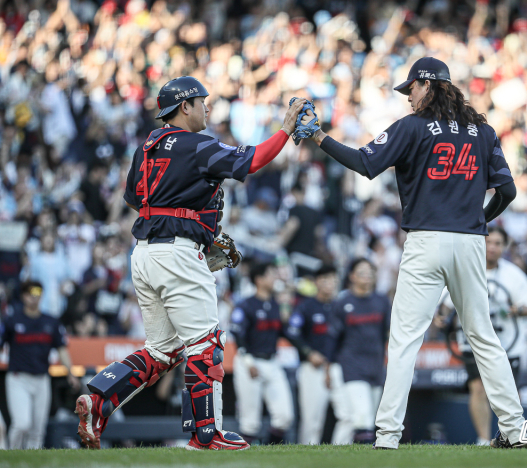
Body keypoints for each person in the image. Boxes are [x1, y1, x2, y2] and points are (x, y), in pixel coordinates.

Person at [303, 57, 526, 448]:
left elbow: (363, 163)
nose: (409, 97)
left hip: (426, 241)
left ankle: (388, 435)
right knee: (484, 338)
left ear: (428, 85)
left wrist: (319, 137)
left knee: (405, 340)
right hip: (470, 242)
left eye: (412, 89)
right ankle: (515, 431)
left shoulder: (413, 127)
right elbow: (507, 192)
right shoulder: (483, 131)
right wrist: (480, 222)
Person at [74, 76, 306, 451]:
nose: (207, 107)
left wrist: (187, 220)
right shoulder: (198, 144)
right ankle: (207, 434)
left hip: (144, 253)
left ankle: (99, 401)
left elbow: (136, 198)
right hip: (177, 253)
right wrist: (284, 130)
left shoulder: (146, 145)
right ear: (186, 106)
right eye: (202, 101)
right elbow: (252, 160)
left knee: (162, 350)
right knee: (206, 344)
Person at [434, 226, 527, 445]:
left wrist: (516, 309)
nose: (492, 248)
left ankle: (510, 434)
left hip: (508, 341)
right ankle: (483, 438)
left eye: (498, 243)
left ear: (504, 247)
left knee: (508, 389)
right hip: (472, 340)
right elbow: (444, 304)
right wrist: (441, 317)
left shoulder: (514, 274)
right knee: (478, 387)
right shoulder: (463, 269)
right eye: (488, 242)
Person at [1, 280, 80, 449]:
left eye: (37, 294)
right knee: (22, 424)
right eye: (30, 294)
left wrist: (70, 373)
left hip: (42, 379)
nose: (34, 298)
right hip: (18, 378)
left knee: (37, 430)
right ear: (23, 296)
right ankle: (12, 457)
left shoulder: (50, 322)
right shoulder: (12, 320)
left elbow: (62, 350)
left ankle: (31, 463)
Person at [285, 264, 351, 445]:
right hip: (313, 367)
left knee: (348, 416)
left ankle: (340, 455)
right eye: (325, 279)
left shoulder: (342, 307)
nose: (329, 283)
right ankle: (307, 459)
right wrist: (308, 352)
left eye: (333, 279)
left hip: (338, 366)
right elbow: (292, 332)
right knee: (312, 421)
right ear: (316, 282)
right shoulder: (306, 306)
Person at [229, 262, 294, 444]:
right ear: (259, 279)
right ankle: (245, 458)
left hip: (272, 362)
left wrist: (287, 305)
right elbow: (238, 335)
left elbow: (286, 331)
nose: (275, 278)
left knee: (284, 417)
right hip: (249, 361)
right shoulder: (246, 305)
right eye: (271, 274)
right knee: (250, 422)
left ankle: (268, 452)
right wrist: (248, 361)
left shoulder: (275, 305)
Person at [331, 258, 391, 444]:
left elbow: (387, 333)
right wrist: (330, 366)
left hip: (375, 365)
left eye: (370, 272)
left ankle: (350, 457)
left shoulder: (381, 301)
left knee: (370, 418)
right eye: (362, 272)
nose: (367, 275)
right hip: (352, 366)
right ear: (352, 276)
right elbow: (333, 338)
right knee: (361, 416)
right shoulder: (343, 302)